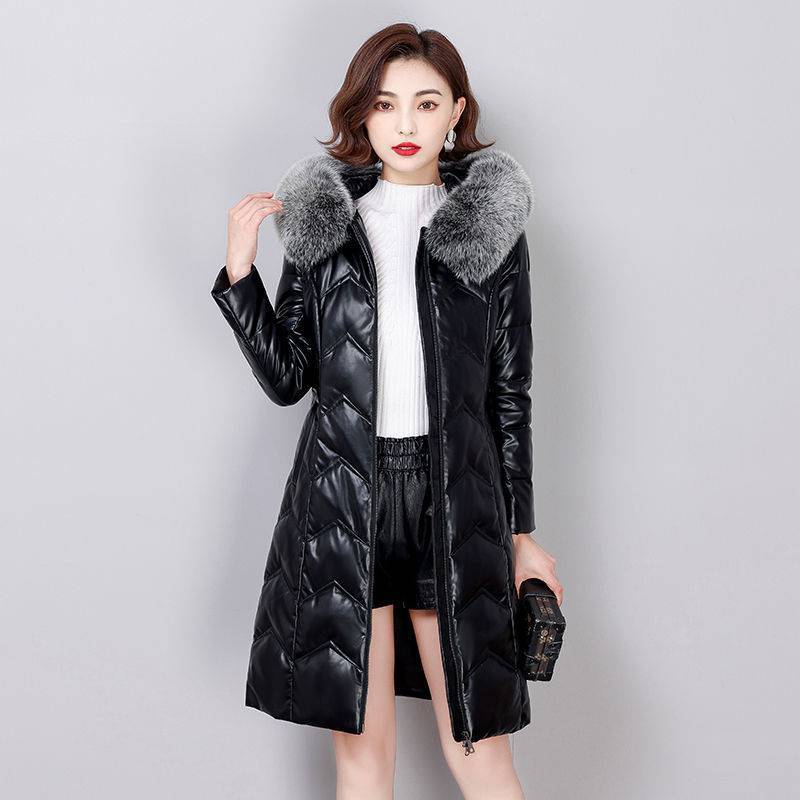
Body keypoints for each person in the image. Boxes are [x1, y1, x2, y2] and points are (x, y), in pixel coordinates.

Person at [211, 22, 563, 800]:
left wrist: (522, 537)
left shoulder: (492, 233)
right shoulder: (325, 226)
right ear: (361, 114)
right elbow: (289, 379)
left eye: (426, 103)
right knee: (362, 756)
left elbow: (510, 394)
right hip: (344, 497)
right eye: (385, 103)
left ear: (456, 112)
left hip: (456, 501)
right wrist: (241, 276)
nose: (405, 123)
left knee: (481, 752)